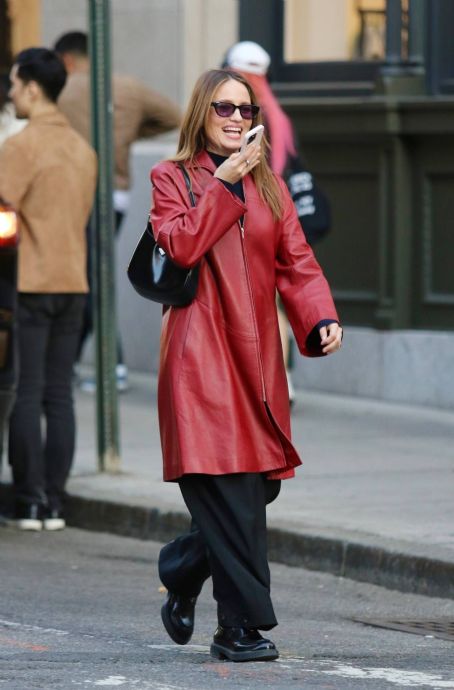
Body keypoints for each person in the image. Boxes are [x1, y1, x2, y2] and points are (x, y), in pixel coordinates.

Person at [151, 68, 342, 662]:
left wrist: (317, 316)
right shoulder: (172, 177)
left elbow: (296, 261)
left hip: (258, 359)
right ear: (201, 115)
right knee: (231, 496)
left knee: (258, 490)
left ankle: (182, 568)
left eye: (246, 109)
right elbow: (180, 244)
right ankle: (239, 629)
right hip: (200, 360)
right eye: (224, 109)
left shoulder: (271, 185)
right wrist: (224, 185)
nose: (237, 119)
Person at [0, 48, 97, 530]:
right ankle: (55, 501)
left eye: (14, 85)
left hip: (32, 281)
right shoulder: (84, 150)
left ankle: (29, 501)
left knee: (26, 390)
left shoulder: (21, 146)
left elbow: (2, 212)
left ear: (33, 88)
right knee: (60, 394)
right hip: (73, 281)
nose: (11, 93)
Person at [54, 31, 182, 392]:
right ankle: (71, 364)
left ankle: (114, 366)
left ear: (66, 60)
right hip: (118, 193)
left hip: (78, 193)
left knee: (92, 277)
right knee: (91, 272)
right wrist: (126, 136)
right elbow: (174, 116)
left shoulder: (62, 91)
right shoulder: (129, 87)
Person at [223, 41, 309, 406]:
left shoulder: (237, 113)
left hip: (248, 221)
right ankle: (283, 379)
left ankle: (263, 377)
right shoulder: (280, 117)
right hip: (278, 220)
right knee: (276, 304)